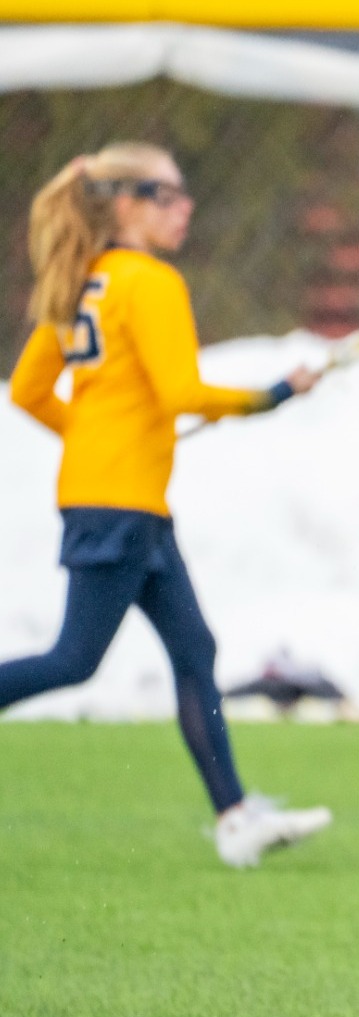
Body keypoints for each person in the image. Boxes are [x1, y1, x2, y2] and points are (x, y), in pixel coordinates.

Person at [2, 143, 332, 868]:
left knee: (194, 650)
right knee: (74, 660)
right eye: (168, 195)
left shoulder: (85, 278)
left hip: (122, 498)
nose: (185, 208)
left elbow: (28, 391)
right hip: (119, 502)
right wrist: (275, 393)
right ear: (126, 203)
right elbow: (182, 391)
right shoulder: (149, 282)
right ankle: (235, 815)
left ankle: (235, 818)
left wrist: (100, 436)